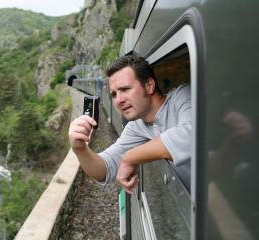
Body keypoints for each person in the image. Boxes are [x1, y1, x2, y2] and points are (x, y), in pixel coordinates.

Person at [68, 55, 191, 195]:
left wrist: (130, 156)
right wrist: (80, 149)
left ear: (149, 86)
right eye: (114, 94)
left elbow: (191, 136)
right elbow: (105, 169)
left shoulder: (183, 96)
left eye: (125, 89)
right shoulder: (137, 126)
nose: (119, 100)